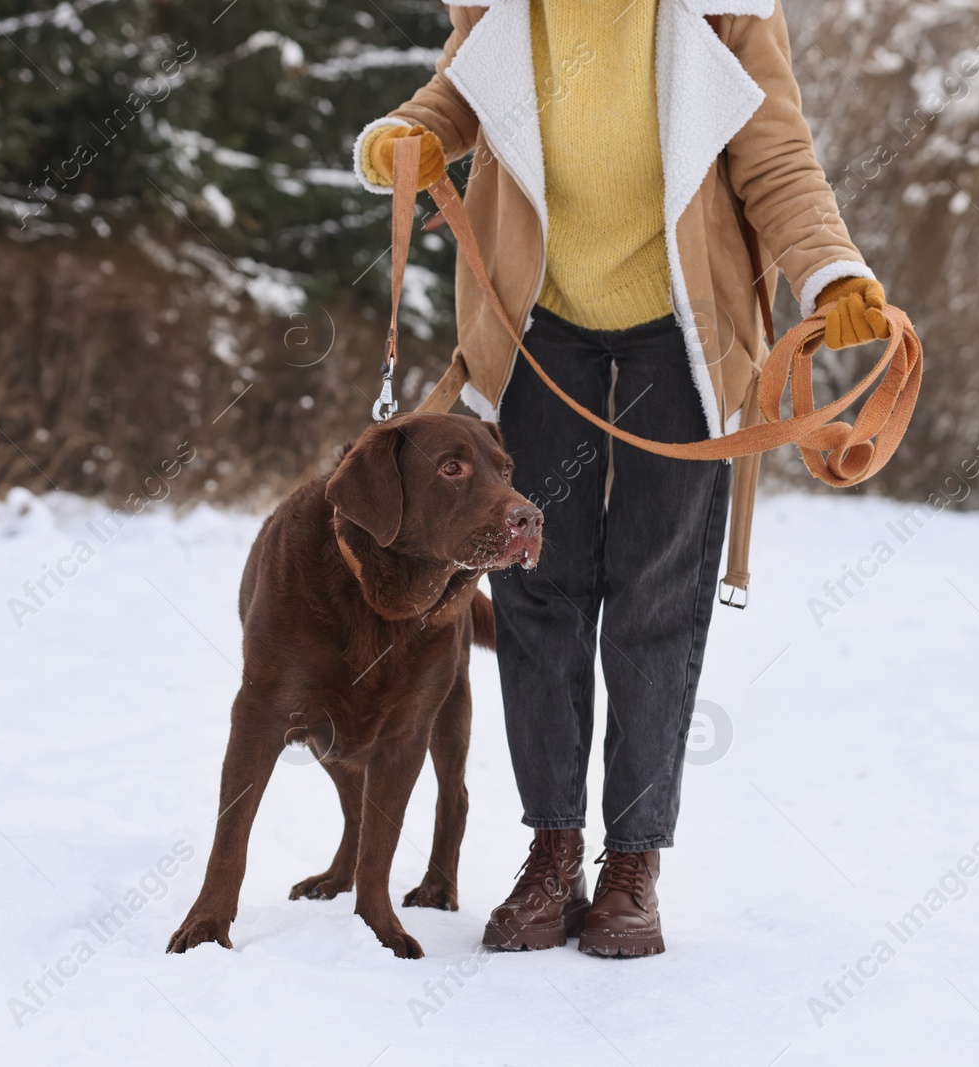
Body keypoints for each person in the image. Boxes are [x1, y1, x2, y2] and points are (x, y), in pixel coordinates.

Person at [352, 0, 890, 957]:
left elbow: (776, 157)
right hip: (536, 322)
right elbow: (457, 99)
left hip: (681, 333)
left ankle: (634, 861)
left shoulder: (727, 15)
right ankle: (553, 850)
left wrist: (831, 271)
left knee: (655, 592)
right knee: (536, 585)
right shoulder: (502, 9)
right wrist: (411, 136)